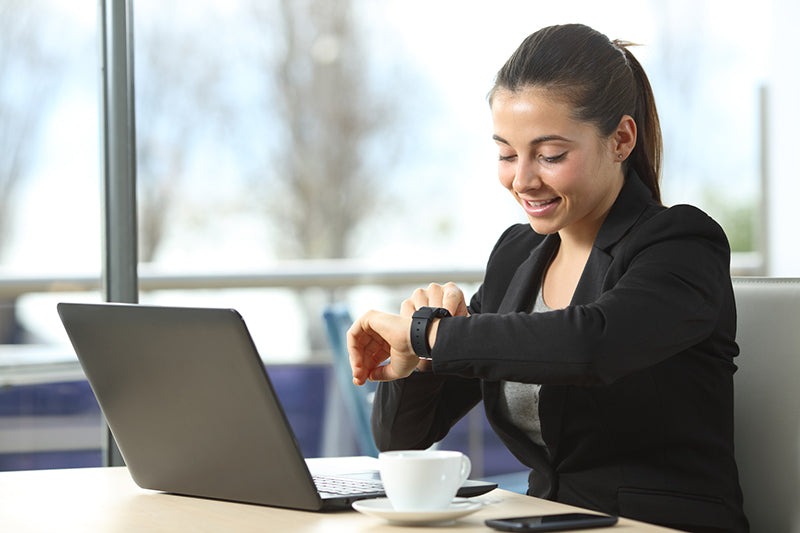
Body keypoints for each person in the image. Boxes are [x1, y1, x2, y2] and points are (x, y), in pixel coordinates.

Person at [347, 23, 748, 533]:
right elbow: (403, 438)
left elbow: (591, 344)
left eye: (550, 155)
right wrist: (415, 358)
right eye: (507, 154)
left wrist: (431, 335)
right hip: (544, 522)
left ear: (622, 138)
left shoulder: (682, 244)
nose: (522, 179)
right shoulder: (518, 256)